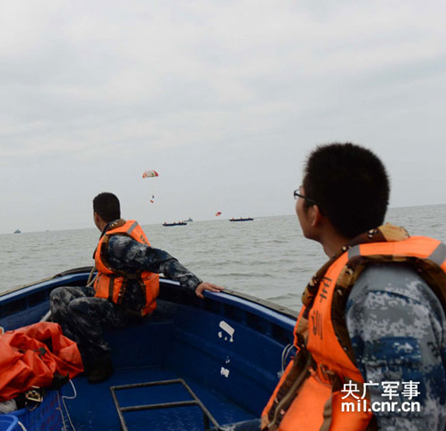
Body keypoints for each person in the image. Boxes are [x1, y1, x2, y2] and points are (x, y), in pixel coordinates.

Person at [259, 143, 446, 431]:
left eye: (300, 195)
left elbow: (414, 420)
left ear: (314, 214)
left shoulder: (381, 299)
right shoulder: (357, 276)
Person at [49, 192, 223, 383]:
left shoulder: (118, 243)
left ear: (95, 216)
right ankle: (73, 355)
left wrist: (194, 283)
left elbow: (161, 258)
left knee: (78, 308)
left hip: (129, 309)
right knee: (59, 295)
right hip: (111, 298)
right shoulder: (113, 233)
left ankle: (101, 361)